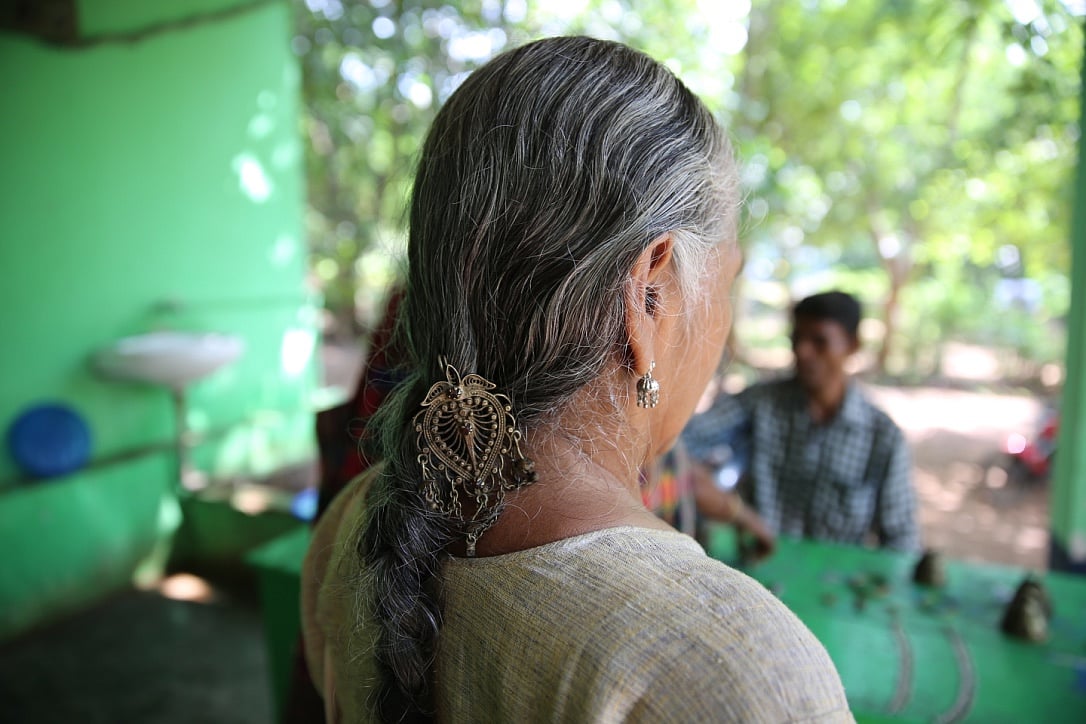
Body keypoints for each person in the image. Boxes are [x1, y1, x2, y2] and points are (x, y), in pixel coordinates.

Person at [302, 37, 851, 723]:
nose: (725, 329)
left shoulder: (356, 525)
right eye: (728, 282)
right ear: (650, 295)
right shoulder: (733, 669)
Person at [683, 290, 920, 551]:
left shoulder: (882, 436)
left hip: (836, 583)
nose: (803, 351)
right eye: (797, 339)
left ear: (853, 346)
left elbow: (900, 538)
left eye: (819, 341)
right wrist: (734, 511)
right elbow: (673, 444)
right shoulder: (760, 404)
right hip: (759, 568)